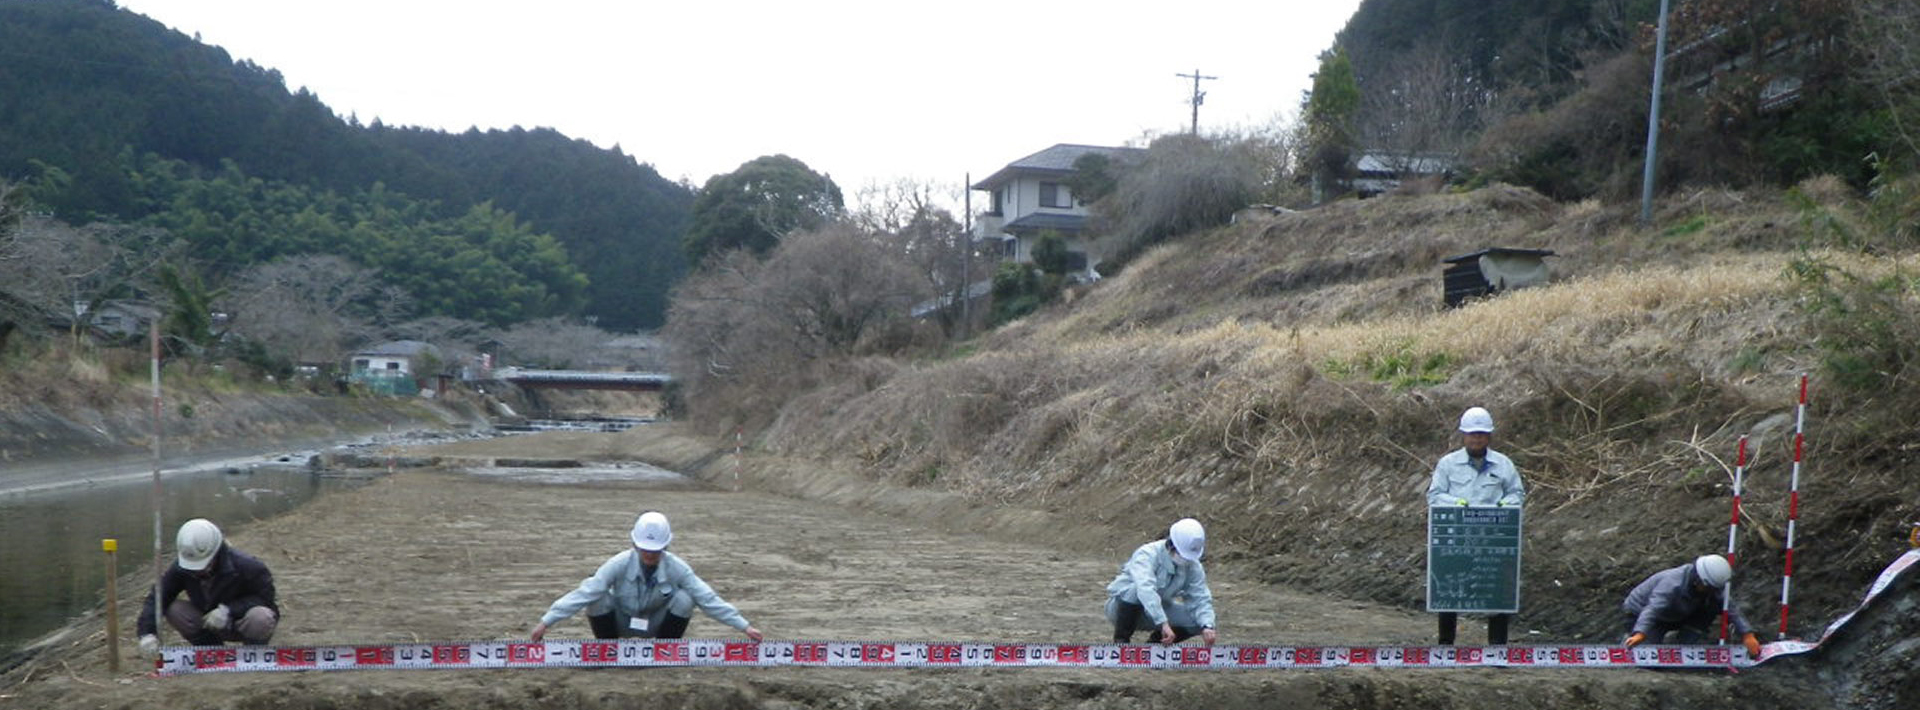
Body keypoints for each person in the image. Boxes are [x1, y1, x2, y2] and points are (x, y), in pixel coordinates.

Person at [531, 511, 763, 642]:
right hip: (622, 621)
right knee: (597, 596)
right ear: (635, 544)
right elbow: (586, 592)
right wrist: (546, 621)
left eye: (656, 550)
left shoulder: (677, 568)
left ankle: (665, 651)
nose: (650, 554)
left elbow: (707, 598)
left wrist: (745, 627)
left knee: (686, 598)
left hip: (655, 624)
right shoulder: (618, 564)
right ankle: (608, 651)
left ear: (666, 546)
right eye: (645, 549)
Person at [1426, 406, 1525, 645]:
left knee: (1497, 593)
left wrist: (1504, 506)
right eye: (1472, 434)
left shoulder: (1503, 464)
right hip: (1457, 541)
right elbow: (1434, 495)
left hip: (1493, 541)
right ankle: (1445, 647)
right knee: (1450, 592)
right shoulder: (1448, 464)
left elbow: (1517, 493)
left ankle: (1497, 650)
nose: (1476, 439)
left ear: (1488, 436)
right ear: (1464, 435)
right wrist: (1457, 504)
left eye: (1481, 434)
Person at [136, 518, 280, 656]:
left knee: (261, 617)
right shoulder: (181, 567)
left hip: (242, 622)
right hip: (207, 622)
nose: (198, 571)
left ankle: (253, 653)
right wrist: (147, 633)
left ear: (215, 553)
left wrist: (228, 610)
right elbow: (159, 596)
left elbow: (266, 599)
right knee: (174, 609)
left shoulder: (248, 566)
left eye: (204, 564)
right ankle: (211, 651)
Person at [1105, 518, 1217, 646]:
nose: (1185, 560)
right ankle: (1121, 643)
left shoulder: (1193, 565)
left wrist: (1207, 625)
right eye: (1182, 554)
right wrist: (1162, 622)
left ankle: (1156, 646)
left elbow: (1200, 596)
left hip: (1158, 611)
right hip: (1121, 610)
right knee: (1135, 590)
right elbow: (1145, 588)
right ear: (1171, 545)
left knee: (1198, 620)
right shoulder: (1147, 554)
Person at [1622, 554, 1762, 656]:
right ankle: (1630, 638)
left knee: (1713, 605)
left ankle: (1682, 645)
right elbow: (1652, 609)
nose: (1711, 591)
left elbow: (1731, 608)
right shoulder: (1673, 584)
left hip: (1676, 612)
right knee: (1647, 657)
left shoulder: (1712, 587)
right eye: (1708, 588)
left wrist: (1747, 634)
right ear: (1698, 580)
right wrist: (1640, 632)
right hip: (1641, 613)